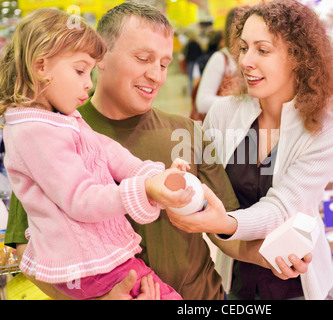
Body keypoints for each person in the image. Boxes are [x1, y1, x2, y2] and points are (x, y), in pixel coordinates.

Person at [4, 2, 309, 300]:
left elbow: (222, 229)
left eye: (164, 63)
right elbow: (28, 251)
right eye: (143, 58)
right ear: (101, 56)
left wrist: (271, 258)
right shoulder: (52, 135)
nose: (156, 75)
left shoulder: (187, 132)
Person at [0, 7, 196, 300]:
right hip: (91, 269)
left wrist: (151, 175)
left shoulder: (62, 119)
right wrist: (144, 188)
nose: (88, 83)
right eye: (80, 71)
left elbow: (107, 150)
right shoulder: (34, 132)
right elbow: (81, 198)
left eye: (164, 63)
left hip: (104, 264)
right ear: (40, 67)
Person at [166, 0, 333, 300]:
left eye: (262, 50)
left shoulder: (325, 132)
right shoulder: (224, 114)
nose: (245, 61)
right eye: (243, 48)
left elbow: (280, 208)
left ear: (298, 57)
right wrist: (185, 183)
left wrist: (224, 223)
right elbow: (210, 191)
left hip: (296, 281)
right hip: (236, 278)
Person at [194, 8, 240, 116]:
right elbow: (202, 102)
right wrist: (240, 102)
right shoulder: (221, 58)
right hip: (226, 126)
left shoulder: (252, 58)